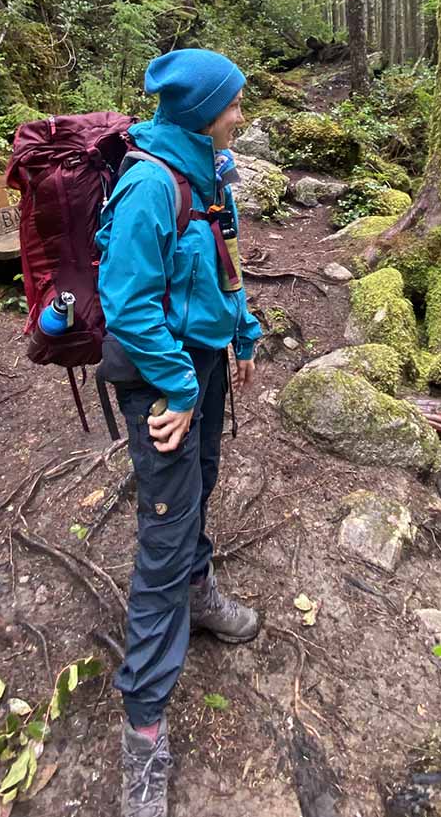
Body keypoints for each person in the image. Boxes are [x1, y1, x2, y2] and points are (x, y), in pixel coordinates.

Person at [96, 48, 263, 817]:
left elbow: (220, 263)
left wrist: (245, 333)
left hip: (199, 366)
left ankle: (198, 596)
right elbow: (126, 303)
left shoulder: (205, 170)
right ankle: (143, 730)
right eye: (232, 102)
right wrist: (180, 385)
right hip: (162, 380)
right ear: (202, 109)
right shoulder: (148, 184)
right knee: (164, 530)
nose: (241, 112)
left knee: (200, 487)